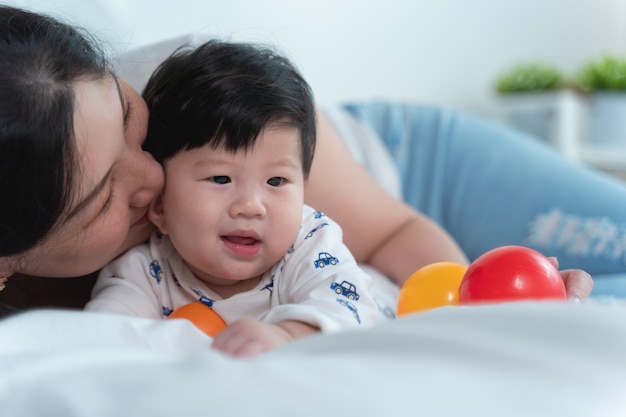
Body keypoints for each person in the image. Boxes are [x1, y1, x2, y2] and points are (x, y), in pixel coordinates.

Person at [0, 5, 595, 317]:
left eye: (131, 119)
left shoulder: (197, 89)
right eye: (105, 194)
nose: (152, 174)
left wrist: (479, 310)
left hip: (409, 166)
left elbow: (394, 233)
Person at [85, 40, 390, 356]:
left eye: (276, 180)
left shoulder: (309, 245)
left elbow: (350, 308)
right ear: (160, 205)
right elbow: (101, 339)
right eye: (221, 178)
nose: (251, 206)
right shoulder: (142, 272)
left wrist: (289, 335)